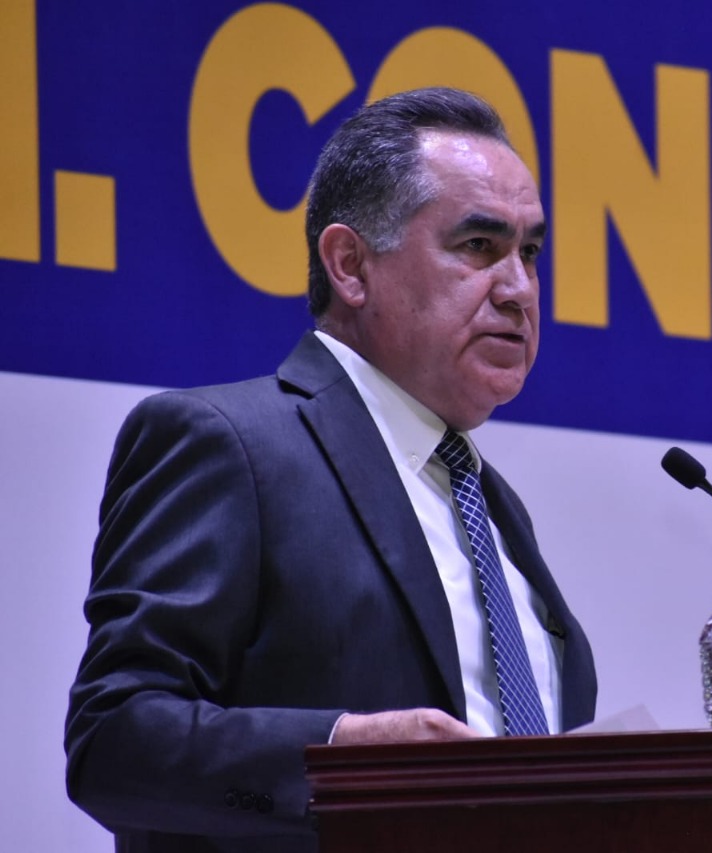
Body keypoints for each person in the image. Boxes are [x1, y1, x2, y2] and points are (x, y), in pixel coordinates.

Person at [65, 87, 597, 853]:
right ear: (350, 265)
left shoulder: (493, 509)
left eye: (531, 253)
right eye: (480, 245)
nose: (518, 289)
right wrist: (337, 757)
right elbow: (112, 743)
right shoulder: (232, 446)